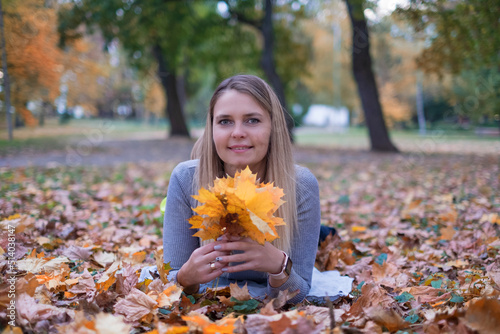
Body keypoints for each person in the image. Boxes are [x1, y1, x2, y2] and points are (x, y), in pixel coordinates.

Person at [163, 74, 321, 303]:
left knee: (324, 235)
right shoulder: (185, 179)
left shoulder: (300, 185)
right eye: (225, 121)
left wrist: (279, 267)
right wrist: (186, 277)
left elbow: (298, 294)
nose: (237, 132)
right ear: (212, 128)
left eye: (252, 120)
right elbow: (172, 282)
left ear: (273, 127)